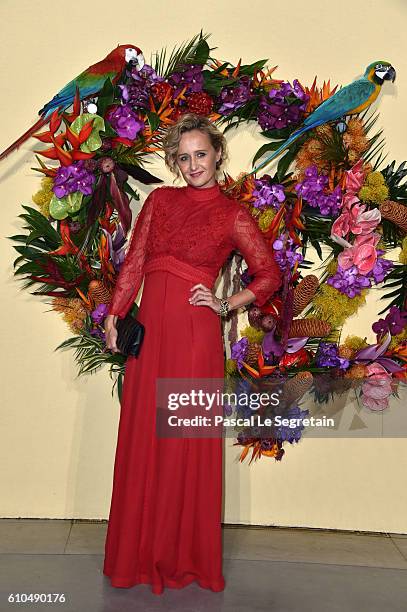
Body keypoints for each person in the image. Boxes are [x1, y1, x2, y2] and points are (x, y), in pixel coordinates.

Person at [102, 112, 282, 595]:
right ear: (174, 162)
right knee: (145, 436)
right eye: (183, 157)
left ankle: (180, 558)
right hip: (153, 332)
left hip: (195, 336)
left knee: (181, 444)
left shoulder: (233, 214)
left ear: (218, 154)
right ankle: (136, 557)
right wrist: (116, 313)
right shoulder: (160, 200)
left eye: (200, 154)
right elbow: (136, 259)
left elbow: (268, 275)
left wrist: (226, 303)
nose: (192, 164)